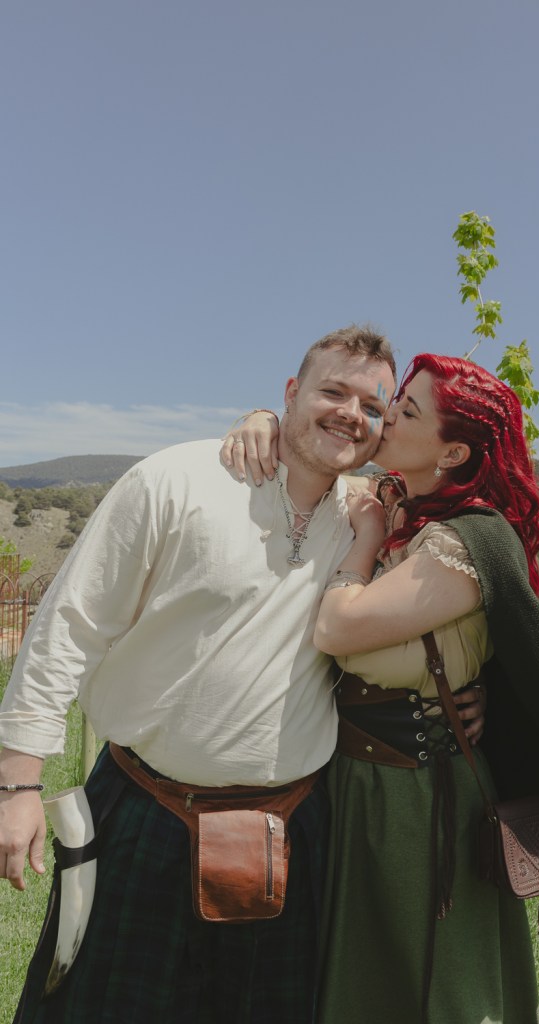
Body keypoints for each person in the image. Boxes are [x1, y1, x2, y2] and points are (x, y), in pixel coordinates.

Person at [2, 324, 456, 1024]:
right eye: (332, 392)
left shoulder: (372, 515)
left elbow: (449, 600)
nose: (351, 414)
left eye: (372, 406)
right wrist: (18, 783)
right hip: (144, 814)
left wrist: (470, 698)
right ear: (289, 392)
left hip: (292, 828)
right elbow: (70, 625)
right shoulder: (175, 480)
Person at [226, 353, 539, 1024]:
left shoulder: (464, 541)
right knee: (358, 971)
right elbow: (319, 452)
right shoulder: (399, 502)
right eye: (395, 402)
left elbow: (337, 627)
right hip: (351, 779)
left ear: (451, 452)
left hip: (417, 794)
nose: (387, 416)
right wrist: (265, 419)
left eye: (408, 411)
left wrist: (364, 539)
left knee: (431, 978)